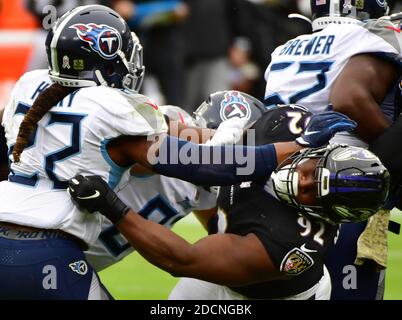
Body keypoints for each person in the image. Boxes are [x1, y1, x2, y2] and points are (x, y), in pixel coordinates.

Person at [0, 4, 355, 298]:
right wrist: (298, 145)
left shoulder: (30, 86)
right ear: (110, 60)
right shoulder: (113, 111)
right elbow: (208, 168)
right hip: (51, 251)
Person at [67, 112, 390, 300]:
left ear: (325, 213)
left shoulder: (294, 244)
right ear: (320, 154)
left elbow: (182, 258)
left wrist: (113, 206)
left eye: (311, 194)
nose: (300, 183)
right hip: (222, 267)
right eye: (311, 174)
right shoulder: (284, 128)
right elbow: (196, 150)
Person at [263, 0, 402, 300]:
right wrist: (387, 161)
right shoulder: (375, 36)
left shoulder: (284, 49)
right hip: (340, 187)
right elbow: (349, 101)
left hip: (276, 189)